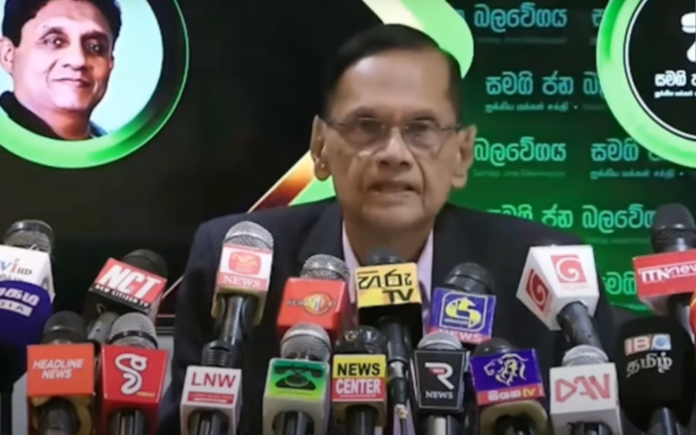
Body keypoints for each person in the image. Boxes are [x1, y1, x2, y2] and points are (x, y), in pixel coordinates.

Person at [157, 24, 617, 435]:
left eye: (421, 128)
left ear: (461, 154)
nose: (394, 153)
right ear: (320, 147)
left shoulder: (543, 273)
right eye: (366, 126)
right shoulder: (238, 264)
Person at [0, 0, 121, 140]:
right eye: (54, 41)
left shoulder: (124, 149)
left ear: (110, 62)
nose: (78, 60)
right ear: (8, 55)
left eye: (95, 47)